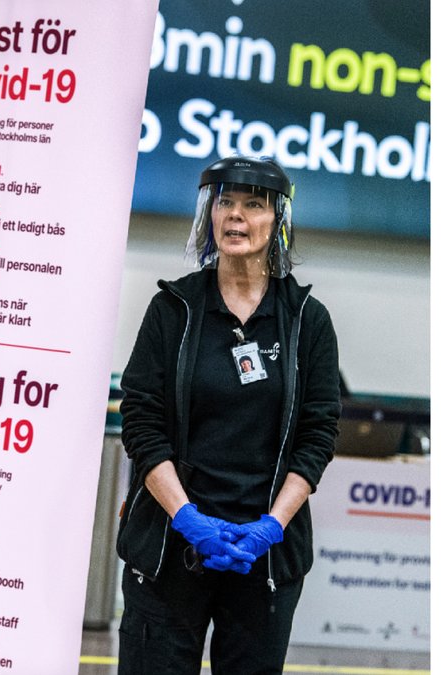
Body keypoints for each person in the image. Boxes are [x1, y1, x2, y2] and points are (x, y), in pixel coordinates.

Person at [116, 156, 340, 674]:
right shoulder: (173, 309)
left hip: (263, 558)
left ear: (279, 220)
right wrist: (187, 519)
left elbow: (318, 434)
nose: (235, 215)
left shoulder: (307, 322)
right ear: (209, 215)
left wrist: (272, 527)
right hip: (170, 547)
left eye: (253, 204)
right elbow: (141, 422)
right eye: (225, 202)